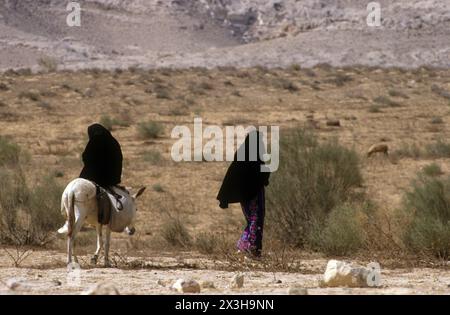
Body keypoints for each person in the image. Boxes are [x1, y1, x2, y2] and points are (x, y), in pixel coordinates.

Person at [217, 130, 270, 258]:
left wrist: (224, 196)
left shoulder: (242, 152)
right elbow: (260, 173)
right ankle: (253, 249)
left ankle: (244, 247)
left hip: (244, 196)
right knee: (255, 220)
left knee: (252, 220)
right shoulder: (255, 155)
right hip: (254, 195)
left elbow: (232, 174)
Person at [80, 123, 123, 188]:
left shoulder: (94, 140)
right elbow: (119, 159)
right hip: (111, 178)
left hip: (92, 176)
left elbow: (86, 157)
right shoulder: (113, 141)